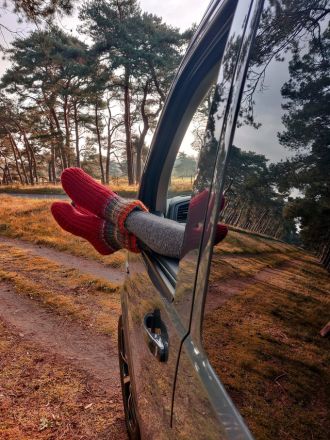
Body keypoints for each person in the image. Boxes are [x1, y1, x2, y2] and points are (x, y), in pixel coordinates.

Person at [51, 168, 228, 259]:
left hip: (177, 241)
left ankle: (110, 222)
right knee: (173, 230)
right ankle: (109, 223)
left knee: (180, 238)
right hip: (169, 235)